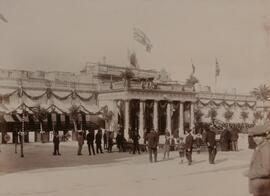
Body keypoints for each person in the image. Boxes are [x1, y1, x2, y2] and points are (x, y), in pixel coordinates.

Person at [245, 122, 270, 196]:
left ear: (264, 137)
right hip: (260, 187)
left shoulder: (265, 149)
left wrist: (250, 173)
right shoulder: (260, 147)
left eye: (258, 136)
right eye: (254, 136)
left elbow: (267, 170)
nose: (255, 139)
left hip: (263, 187)